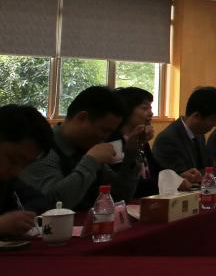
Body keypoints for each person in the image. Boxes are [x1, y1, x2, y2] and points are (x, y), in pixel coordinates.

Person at [20, 86, 140, 212]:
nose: (105, 137)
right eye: (104, 130)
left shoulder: (86, 148)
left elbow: (119, 196)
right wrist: (91, 161)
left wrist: (131, 155)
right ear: (81, 117)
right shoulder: (43, 148)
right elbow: (53, 206)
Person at [153, 86, 216, 180]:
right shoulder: (168, 140)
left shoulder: (199, 135)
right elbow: (180, 179)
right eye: (212, 119)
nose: (215, 124)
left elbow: (203, 168)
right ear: (196, 116)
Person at [0, 105, 53, 236]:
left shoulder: (7, 180)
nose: (16, 172)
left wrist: (21, 217)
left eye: (24, 165)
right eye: (13, 159)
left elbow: (41, 201)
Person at [113, 87, 162, 197]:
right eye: (145, 108)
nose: (151, 113)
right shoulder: (114, 141)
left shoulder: (142, 139)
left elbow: (157, 171)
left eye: (150, 108)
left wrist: (179, 176)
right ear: (127, 111)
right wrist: (169, 182)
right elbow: (132, 187)